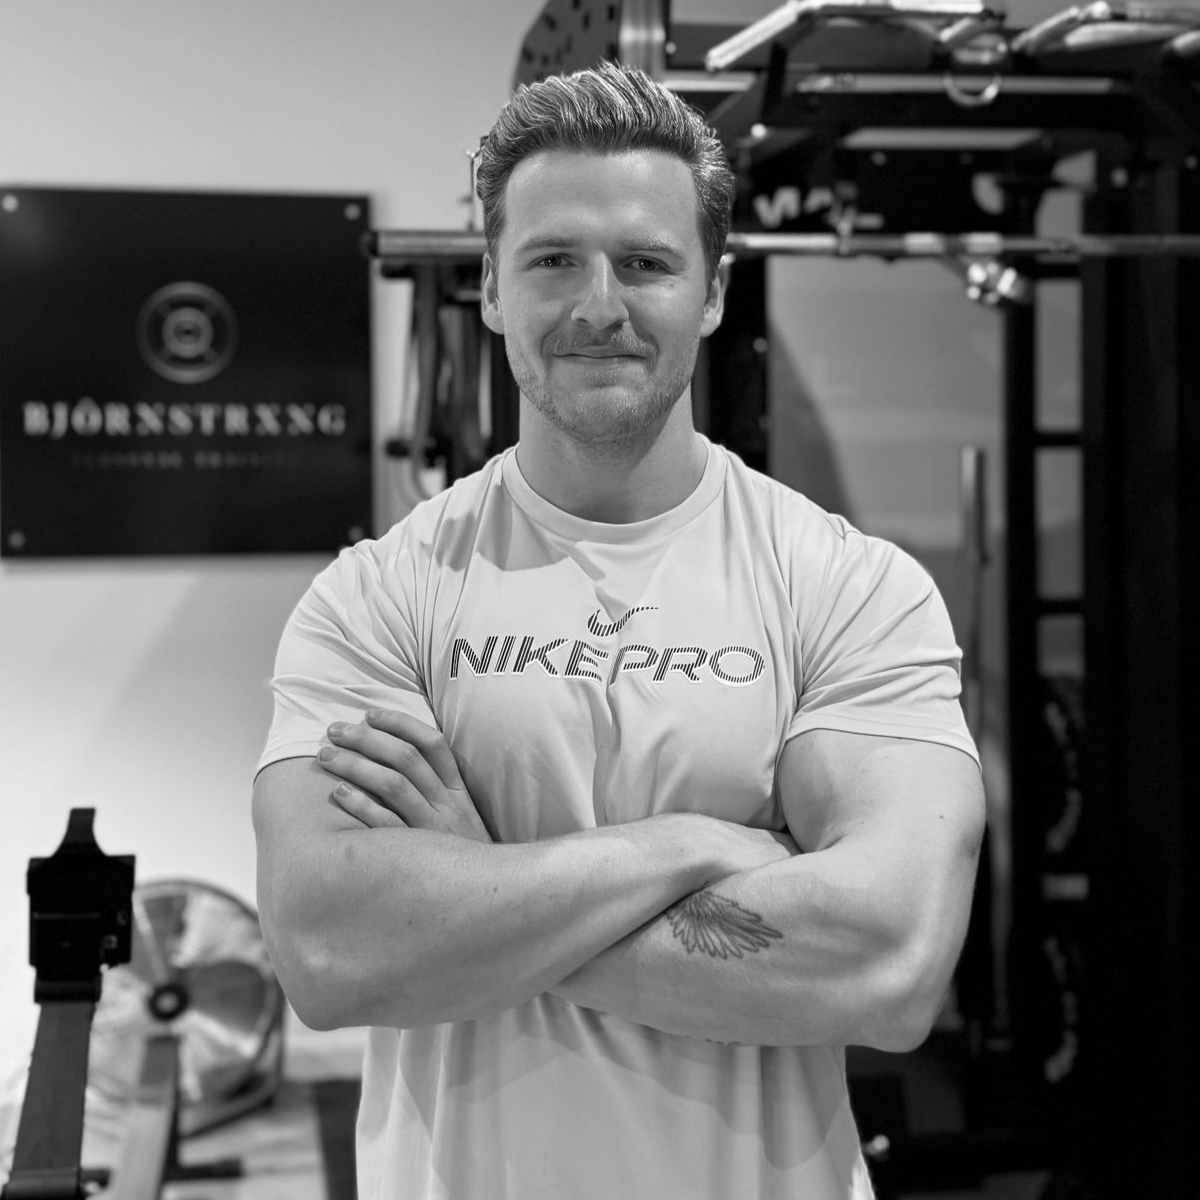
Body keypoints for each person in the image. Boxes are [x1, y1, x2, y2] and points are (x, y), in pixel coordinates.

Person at [252, 61, 985, 1200]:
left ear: (713, 291)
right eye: (553, 261)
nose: (600, 305)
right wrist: (687, 847)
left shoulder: (848, 586)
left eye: (645, 262)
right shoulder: (377, 597)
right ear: (491, 287)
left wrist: (477, 892)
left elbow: (890, 962)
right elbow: (333, 952)